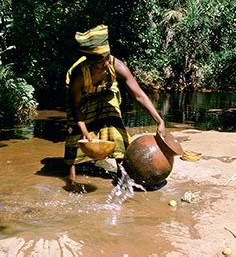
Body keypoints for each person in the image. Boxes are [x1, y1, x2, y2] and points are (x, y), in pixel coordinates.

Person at [64, 24, 165, 184]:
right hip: (81, 100)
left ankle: (122, 177)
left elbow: (138, 94)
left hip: (106, 93)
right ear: (89, 62)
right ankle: (72, 181)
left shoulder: (116, 65)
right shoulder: (79, 75)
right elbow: (75, 106)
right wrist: (84, 131)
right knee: (76, 137)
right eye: (99, 62)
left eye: (106, 58)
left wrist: (159, 120)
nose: (105, 64)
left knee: (115, 128)